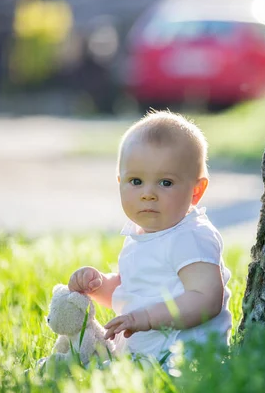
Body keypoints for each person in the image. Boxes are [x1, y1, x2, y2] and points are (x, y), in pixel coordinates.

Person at [68, 110, 232, 364]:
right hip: (146, 359)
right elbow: (132, 293)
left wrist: (146, 318)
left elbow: (205, 298)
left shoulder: (190, 236)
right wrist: (98, 285)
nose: (148, 194)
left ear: (196, 191)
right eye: (136, 181)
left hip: (185, 361)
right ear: (120, 182)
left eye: (165, 183)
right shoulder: (140, 235)